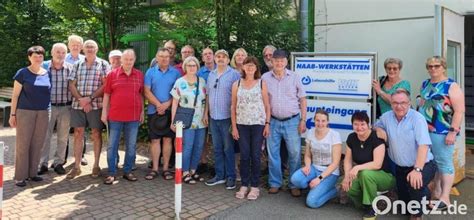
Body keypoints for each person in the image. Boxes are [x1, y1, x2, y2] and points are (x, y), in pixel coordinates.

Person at [374, 89, 436, 220]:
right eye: (395, 103)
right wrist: (379, 129)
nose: (399, 106)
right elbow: (375, 125)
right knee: (404, 205)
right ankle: (426, 193)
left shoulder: (417, 119)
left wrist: (417, 170)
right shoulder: (386, 117)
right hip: (401, 167)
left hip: (423, 164)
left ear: (409, 103)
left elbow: (424, 145)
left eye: (403, 102)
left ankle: (417, 215)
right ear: (391, 104)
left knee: (415, 184)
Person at [418, 56, 465, 210]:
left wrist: (453, 131)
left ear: (443, 67)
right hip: (425, 130)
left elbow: (459, 111)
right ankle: (437, 191)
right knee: (434, 162)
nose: (433, 69)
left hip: (443, 131)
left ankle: (445, 198)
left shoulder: (451, 86)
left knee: (444, 163)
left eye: (437, 66)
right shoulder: (425, 83)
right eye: (430, 66)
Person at [262, 49, 307, 197]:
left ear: (286, 62)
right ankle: (275, 183)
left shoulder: (294, 77)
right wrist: (266, 122)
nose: (279, 63)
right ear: (272, 62)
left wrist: (303, 120)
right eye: (276, 60)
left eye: (282, 60)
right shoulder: (265, 78)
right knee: (273, 153)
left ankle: (294, 183)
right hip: (273, 121)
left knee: (294, 153)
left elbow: (302, 99)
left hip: (292, 121)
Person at [67, 40, 110, 179]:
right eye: (87, 47)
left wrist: (90, 98)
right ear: (83, 50)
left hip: (96, 105)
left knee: (96, 133)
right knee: (78, 133)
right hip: (78, 105)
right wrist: (81, 99)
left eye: (92, 47)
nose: (90, 49)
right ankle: (76, 166)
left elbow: (106, 85)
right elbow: (71, 84)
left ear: (96, 49)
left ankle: (96, 165)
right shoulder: (77, 64)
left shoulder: (103, 64)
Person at [101, 49, 144, 185]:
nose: (128, 62)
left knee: (131, 146)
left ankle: (128, 171)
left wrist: (142, 111)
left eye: (131, 59)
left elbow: (141, 94)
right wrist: (104, 112)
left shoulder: (139, 75)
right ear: (121, 60)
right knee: (112, 145)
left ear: (134, 60)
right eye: (126, 59)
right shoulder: (112, 74)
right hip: (115, 116)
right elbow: (107, 94)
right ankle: (112, 173)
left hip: (133, 117)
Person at [10, 46, 50, 187]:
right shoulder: (22, 73)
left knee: (38, 144)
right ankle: (20, 176)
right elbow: (15, 96)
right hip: (25, 112)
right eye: (35, 56)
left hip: (43, 113)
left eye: (40, 56)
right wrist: (12, 114)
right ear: (29, 57)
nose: (38, 58)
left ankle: (32, 173)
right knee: (23, 144)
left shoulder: (47, 73)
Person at [342, 111, 395, 219]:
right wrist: (347, 176)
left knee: (365, 174)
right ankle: (366, 204)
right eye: (356, 124)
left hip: (385, 176)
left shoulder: (376, 138)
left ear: (368, 125)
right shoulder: (351, 138)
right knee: (350, 186)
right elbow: (347, 160)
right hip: (364, 175)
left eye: (362, 124)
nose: (359, 127)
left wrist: (357, 167)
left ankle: (372, 208)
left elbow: (377, 164)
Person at [231, 56, 270, 200]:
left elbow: (267, 105)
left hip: (258, 124)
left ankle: (254, 186)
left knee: (255, 155)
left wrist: (267, 123)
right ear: (243, 67)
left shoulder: (261, 84)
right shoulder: (237, 84)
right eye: (247, 65)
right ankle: (244, 185)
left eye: (252, 66)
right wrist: (234, 127)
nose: (249, 68)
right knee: (245, 155)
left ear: (256, 68)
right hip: (242, 124)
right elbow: (233, 106)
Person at [204, 49, 241, 189]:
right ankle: (219, 175)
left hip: (227, 118)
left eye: (223, 57)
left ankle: (230, 176)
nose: (220, 59)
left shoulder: (234, 74)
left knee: (228, 148)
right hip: (213, 117)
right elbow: (208, 95)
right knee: (217, 148)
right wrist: (205, 113)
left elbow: (238, 96)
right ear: (214, 58)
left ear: (228, 59)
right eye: (218, 56)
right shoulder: (211, 75)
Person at [290, 110, 342, 208]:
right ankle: (316, 188)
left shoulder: (334, 135)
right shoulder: (310, 133)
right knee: (295, 179)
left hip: (329, 173)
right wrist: (307, 166)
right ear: (314, 121)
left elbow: (335, 163)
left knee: (311, 202)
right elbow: (307, 155)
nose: (320, 123)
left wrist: (319, 178)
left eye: (323, 121)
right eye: (317, 120)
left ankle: (334, 191)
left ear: (327, 122)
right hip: (314, 167)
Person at [144, 48, 181, 180]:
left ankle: (165, 169)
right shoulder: (150, 72)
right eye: (161, 56)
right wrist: (159, 105)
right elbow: (146, 91)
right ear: (157, 57)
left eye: (167, 56)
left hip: (170, 111)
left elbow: (178, 92)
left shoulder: (176, 73)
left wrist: (167, 104)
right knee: (155, 140)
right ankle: (154, 168)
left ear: (170, 58)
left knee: (167, 140)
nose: (164, 59)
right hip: (154, 111)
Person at [170, 56, 207, 184]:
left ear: (197, 67)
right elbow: (174, 103)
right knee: (187, 146)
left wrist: (206, 114)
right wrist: (173, 121)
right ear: (185, 67)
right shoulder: (180, 82)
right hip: (186, 120)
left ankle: (193, 170)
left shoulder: (202, 81)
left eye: (194, 65)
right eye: (189, 65)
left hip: (200, 120)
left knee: (198, 146)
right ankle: (184, 171)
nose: (192, 68)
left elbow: (206, 100)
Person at [38, 43, 73, 175]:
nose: (60, 55)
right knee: (44, 136)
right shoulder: (43, 67)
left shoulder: (70, 68)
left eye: (63, 52)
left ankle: (59, 162)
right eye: (58, 52)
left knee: (63, 137)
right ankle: (43, 163)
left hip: (66, 107)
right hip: (47, 107)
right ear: (52, 53)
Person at [65, 34, 87, 166]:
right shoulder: (63, 58)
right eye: (73, 44)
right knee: (65, 131)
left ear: (82, 46)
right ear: (69, 45)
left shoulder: (86, 59)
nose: (75, 46)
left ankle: (81, 156)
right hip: (66, 100)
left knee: (80, 129)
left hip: (80, 101)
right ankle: (62, 157)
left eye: (78, 44)